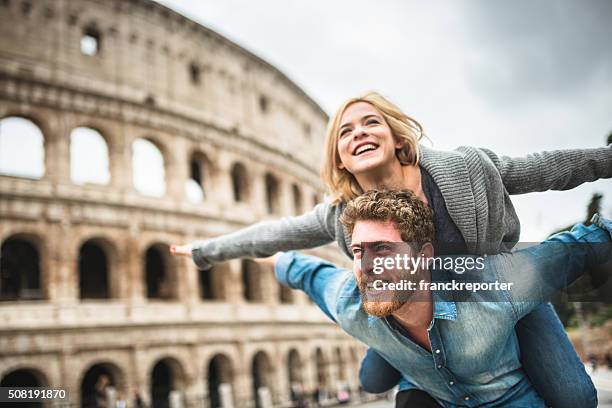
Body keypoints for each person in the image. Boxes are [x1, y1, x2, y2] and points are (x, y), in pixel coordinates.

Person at [171, 91, 612, 407]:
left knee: (575, 396)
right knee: (372, 376)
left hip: (492, 294)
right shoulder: (342, 214)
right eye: (345, 132)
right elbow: (278, 235)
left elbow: (547, 169)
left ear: (397, 137)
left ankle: (424, 367)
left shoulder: (462, 170)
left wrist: (605, 160)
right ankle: (417, 363)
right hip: (409, 312)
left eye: (370, 123)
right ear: (339, 158)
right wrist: (206, 251)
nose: (358, 133)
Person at [260, 189, 612, 407]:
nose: (366, 266)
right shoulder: (348, 301)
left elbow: (580, 244)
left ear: (425, 255)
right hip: (430, 389)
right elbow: (303, 271)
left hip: (508, 397)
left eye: (383, 249)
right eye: (357, 251)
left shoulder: (491, 286)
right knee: (373, 379)